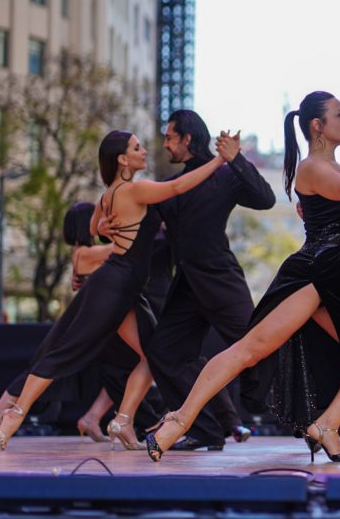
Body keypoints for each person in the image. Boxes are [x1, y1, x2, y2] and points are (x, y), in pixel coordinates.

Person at [145, 92, 340, 463]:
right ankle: (178, 421)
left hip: (338, 287)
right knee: (248, 351)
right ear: (318, 126)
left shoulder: (336, 169)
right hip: (312, 280)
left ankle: (327, 425)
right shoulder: (313, 166)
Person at [0, 130, 228, 450]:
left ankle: (123, 420)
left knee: (153, 355)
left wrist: (100, 228)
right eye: (136, 147)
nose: (144, 151)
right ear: (122, 159)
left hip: (127, 288)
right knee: (67, 351)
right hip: (115, 286)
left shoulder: (109, 195)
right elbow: (176, 186)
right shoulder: (135, 189)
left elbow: (93, 227)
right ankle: (15, 415)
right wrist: (220, 160)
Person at [139, 110, 275, 451]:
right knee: (163, 351)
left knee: (258, 351)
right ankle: (205, 430)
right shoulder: (170, 185)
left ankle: (311, 418)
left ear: (186, 138)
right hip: (186, 287)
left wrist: (236, 158)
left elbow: (266, 198)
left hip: (220, 282)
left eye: (170, 137)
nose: (165, 144)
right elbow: (144, 232)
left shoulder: (226, 174)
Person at [0, 203, 117, 444]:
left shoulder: (87, 252)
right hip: (83, 323)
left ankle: (93, 417)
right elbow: (124, 249)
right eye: (96, 217)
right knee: (40, 371)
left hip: (101, 322)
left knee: (125, 369)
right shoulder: (86, 253)